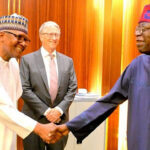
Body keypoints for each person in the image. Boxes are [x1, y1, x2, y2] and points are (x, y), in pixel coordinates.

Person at [55, 4, 150, 150]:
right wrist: (70, 126)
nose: (137, 33)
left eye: (144, 29)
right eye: (137, 29)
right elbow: (108, 101)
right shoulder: (137, 66)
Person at [0, 14, 60, 150]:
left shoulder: (14, 64)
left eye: (26, 39)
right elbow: (2, 107)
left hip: (8, 135)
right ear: (1, 35)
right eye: (19, 37)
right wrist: (39, 128)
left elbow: (13, 102)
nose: (23, 43)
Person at [20, 21, 77, 150]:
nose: (54, 38)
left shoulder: (68, 61)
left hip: (59, 122)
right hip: (34, 121)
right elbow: (24, 89)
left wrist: (58, 111)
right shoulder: (27, 60)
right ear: (41, 36)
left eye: (57, 35)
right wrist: (46, 112)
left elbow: (72, 89)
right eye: (50, 34)